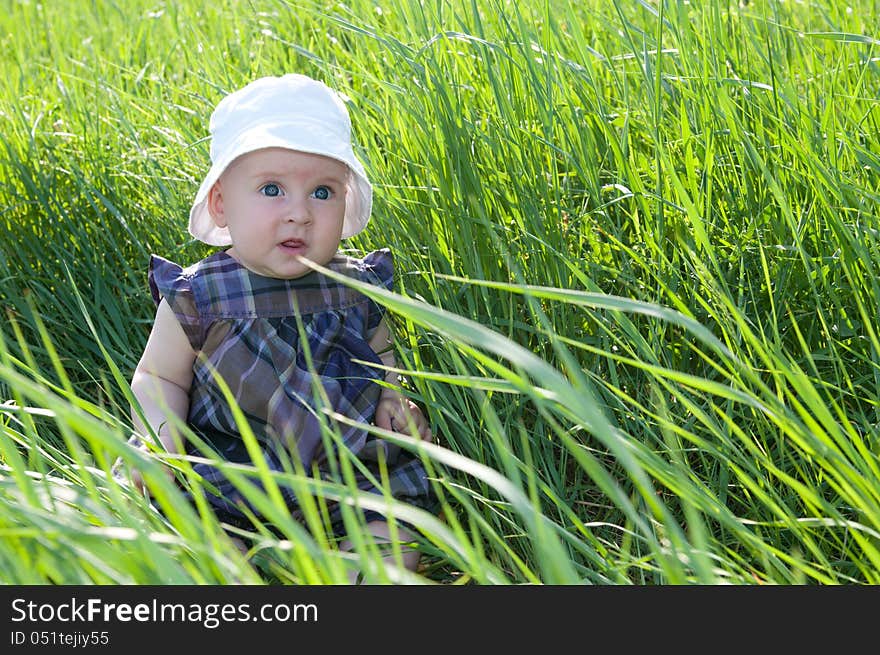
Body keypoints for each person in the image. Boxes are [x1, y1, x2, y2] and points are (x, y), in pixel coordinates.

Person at [113, 73, 436, 581]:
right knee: (193, 528)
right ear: (222, 203)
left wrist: (393, 397)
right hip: (229, 469)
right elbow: (158, 377)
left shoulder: (355, 287)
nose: (300, 214)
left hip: (343, 469)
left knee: (396, 527)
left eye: (323, 192)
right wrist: (160, 438)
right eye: (271, 190)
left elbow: (381, 357)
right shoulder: (199, 295)